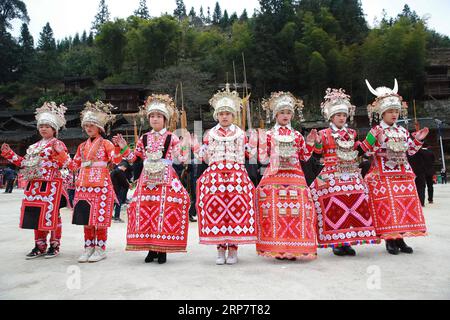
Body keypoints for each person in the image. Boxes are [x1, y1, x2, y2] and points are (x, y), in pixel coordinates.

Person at [114, 94, 190, 265]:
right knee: (146, 211)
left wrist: (186, 146)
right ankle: (150, 248)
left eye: (159, 116)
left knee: (163, 212)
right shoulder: (144, 138)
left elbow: (181, 158)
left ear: (165, 119)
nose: (155, 119)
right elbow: (134, 158)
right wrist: (123, 146)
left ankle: (162, 249)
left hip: (166, 177)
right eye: (152, 116)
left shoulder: (172, 137)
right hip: (147, 179)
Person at [360, 79, 429, 255]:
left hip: (402, 173)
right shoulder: (375, 131)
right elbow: (366, 151)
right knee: (388, 207)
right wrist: (378, 143)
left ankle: (401, 238)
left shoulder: (402, 131)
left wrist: (418, 140)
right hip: (382, 173)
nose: (394, 115)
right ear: (382, 113)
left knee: (401, 205)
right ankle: (389, 239)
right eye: (390, 111)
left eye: (396, 111)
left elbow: (411, 151)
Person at [54, 101, 125, 263]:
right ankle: (88, 247)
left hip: (101, 184)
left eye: (92, 125)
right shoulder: (81, 146)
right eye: (86, 126)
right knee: (86, 217)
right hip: (84, 184)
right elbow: (73, 166)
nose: (88, 128)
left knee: (99, 218)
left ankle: (100, 248)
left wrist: (119, 147)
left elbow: (115, 159)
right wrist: (62, 155)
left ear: (99, 127)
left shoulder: (106, 144)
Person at [311, 88, 379, 256]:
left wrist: (372, 136)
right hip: (332, 174)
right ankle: (336, 242)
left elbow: (360, 149)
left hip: (351, 174)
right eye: (338, 115)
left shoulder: (352, 133)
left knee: (355, 204)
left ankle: (348, 240)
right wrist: (317, 143)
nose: (342, 118)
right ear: (331, 117)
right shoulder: (324, 133)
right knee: (334, 207)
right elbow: (318, 154)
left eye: (344, 115)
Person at [194, 85, 257, 265]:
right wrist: (195, 147)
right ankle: (220, 249)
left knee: (236, 210)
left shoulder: (241, 134)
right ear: (216, 115)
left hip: (237, 177)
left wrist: (253, 143)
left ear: (233, 115)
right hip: (215, 178)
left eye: (228, 113)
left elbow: (250, 154)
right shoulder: (209, 134)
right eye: (221, 113)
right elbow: (203, 157)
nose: (224, 116)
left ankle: (234, 249)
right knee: (217, 210)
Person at [1, 102, 70, 259]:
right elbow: (23, 163)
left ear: (54, 129)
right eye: (41, 126)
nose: (43, 128)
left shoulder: (58, 144)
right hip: (34, 184)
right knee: (35, 215)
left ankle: (54, 244)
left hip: (51, 183)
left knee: (52, 215)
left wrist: (60, 154)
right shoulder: (33, 146)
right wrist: (9, 154)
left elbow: (64, 163)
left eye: (47, 125)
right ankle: (39, 245)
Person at [256, 92, 318, 261]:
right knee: (276, 212)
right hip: (274, 177)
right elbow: (262, 158)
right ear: (276, 115)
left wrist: (311, 141)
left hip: (295, 177)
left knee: (297, 212)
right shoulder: (269, 135)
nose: (285, 115)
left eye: (288, 112)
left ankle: (294, 248)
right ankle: (278, 248)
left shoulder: (297, 135)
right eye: (282, 112)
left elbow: (305, 157)